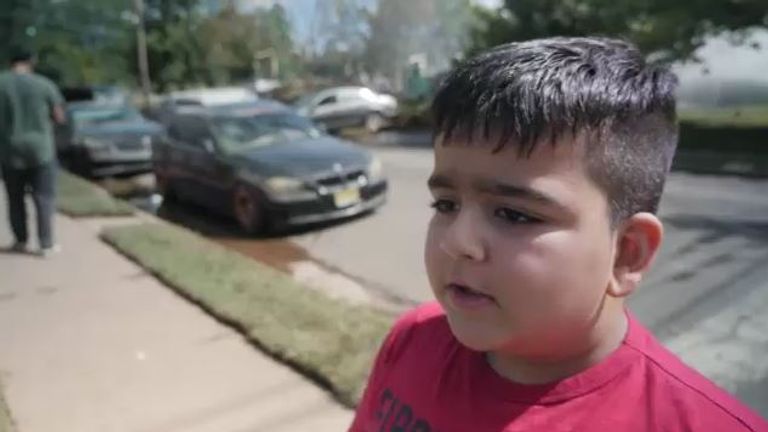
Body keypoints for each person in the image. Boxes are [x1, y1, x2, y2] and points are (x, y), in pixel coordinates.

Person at [349, 37, 768, 431]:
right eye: (446, 205)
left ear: (627, 254)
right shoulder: (412, 341)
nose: (457, 241)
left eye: (513, 215)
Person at [0, 46, 65, 257]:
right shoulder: (44, 85)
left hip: (10, 149)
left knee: (15, 198)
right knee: (44, 197)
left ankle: (20, 240)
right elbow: (59, 116)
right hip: (41, 149)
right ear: (32, 61)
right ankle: (45, 244)